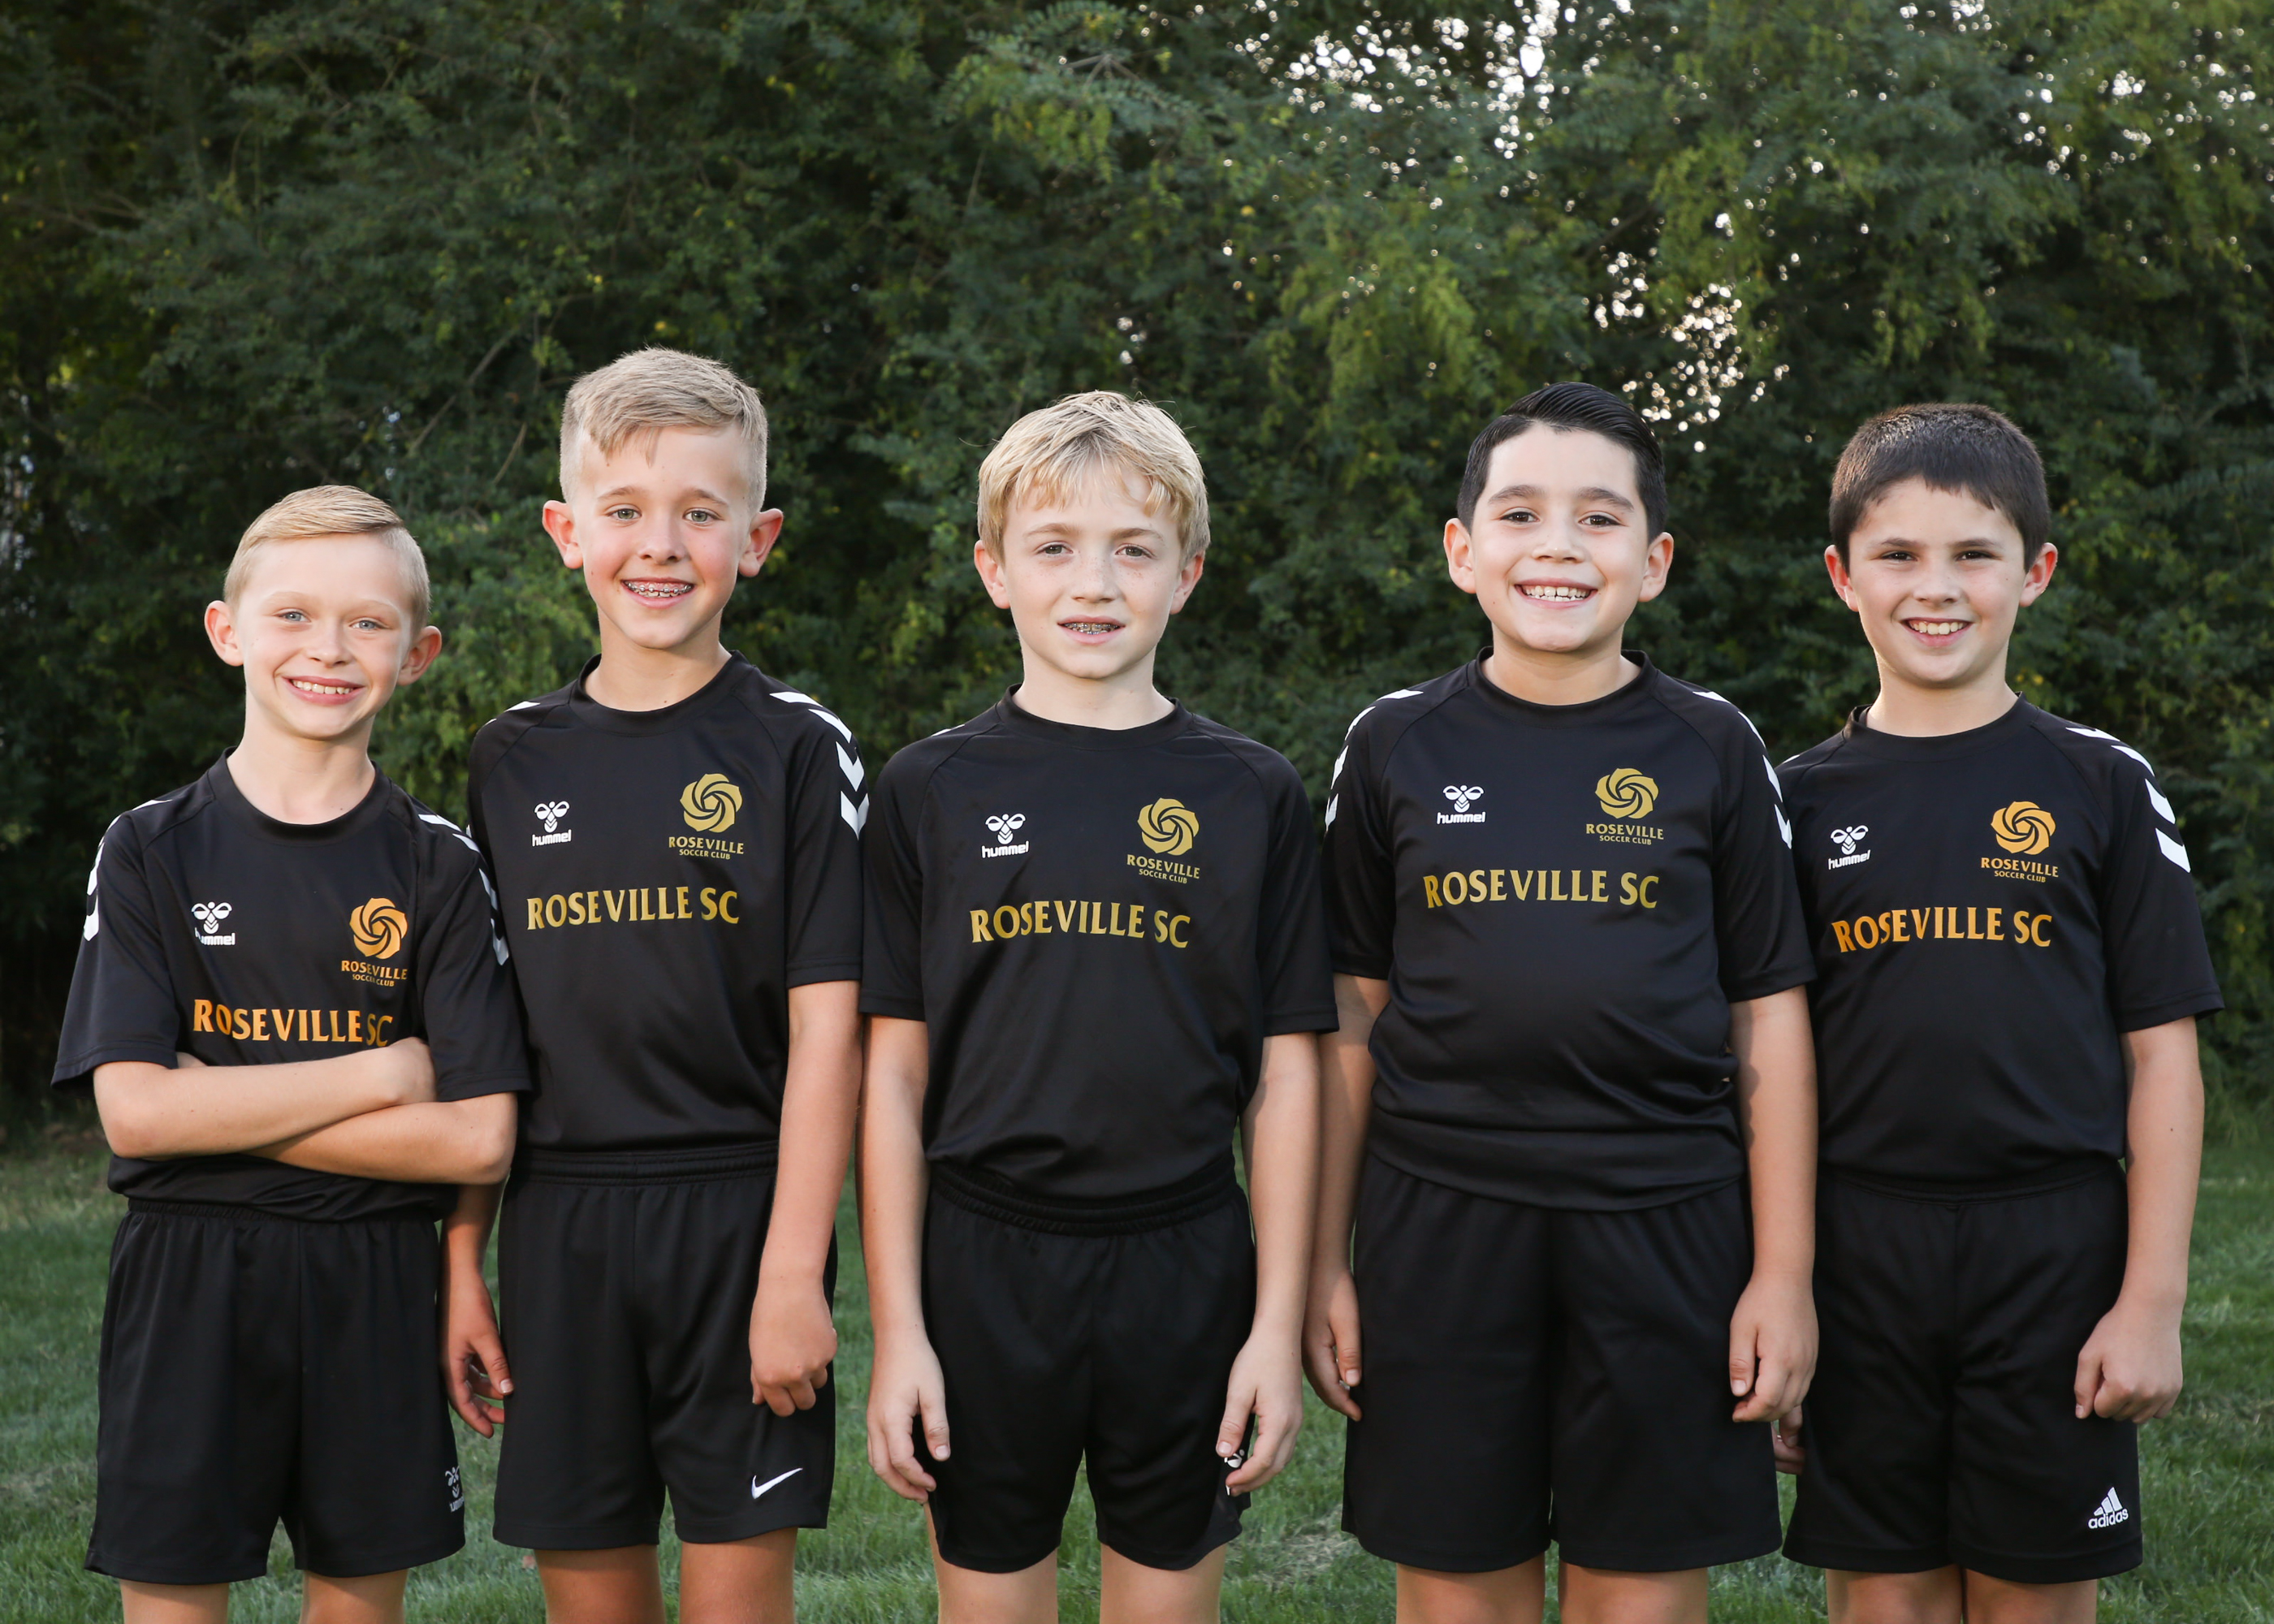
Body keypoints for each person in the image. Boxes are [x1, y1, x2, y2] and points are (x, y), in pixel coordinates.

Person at [1311, 382, 1821, 1624]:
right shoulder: (1392, 745)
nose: (1558, 545)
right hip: (1438, 1224)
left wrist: (1784, 1274)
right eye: (1521, 513)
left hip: (1666, 1222)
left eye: (1599, 518)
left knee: (1641, 1594)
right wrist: (1322, 1260)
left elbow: (1769, 1016)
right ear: (1461, 551)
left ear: (1654, 562)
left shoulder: (1713, 746)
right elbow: (1350, 1018)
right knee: (1454, 1592)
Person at [859, 391, 1335, 1623]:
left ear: (1187, 573)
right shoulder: (928, 789)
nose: (1095, 582)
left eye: (1134, 548)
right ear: (993, 571)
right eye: (1055, 546)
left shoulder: (1252, 794)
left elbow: (1289, 1077)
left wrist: (1273, 1326)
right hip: (982, 1263)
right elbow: (894, 1075)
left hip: (1186, 1262)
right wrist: (900, 1333)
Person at [1776, 404, 2222, 1624]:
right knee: (1887, 1597)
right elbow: (1764, 1066)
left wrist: (2151, 1302)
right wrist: (1783, 1290)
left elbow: (2164, 1059)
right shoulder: (1790, 804)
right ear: (1843, 577)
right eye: (1898, 555)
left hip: (2055, 1249)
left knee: (2035, 1595)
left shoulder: (2101, 783)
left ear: (2036, 572)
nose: (1937, 587)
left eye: (1974, 554)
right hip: (1859, 1250)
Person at [51, 486, 527, 1624]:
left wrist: (216, 1106)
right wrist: (380, 1075)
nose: (329, 648)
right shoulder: (148, 848)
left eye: (368, 622)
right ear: (229, 632)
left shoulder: (440, 866)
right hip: (187, 1275)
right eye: (294, 615)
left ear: (417, 655)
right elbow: (137, 1115)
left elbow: (478, 1139)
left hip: (376, 1277)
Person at [452, 348, 866, 1624]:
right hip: (560, 1230)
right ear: (567, 532)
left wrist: (793, 1271)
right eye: (625, 510)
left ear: (759, 539)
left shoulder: (798, 746)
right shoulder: (511, 758)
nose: (661, 546)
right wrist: (463, 1260)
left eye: (701, 512)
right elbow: (486, 1045)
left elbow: (830, 1035)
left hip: (740, 1218)